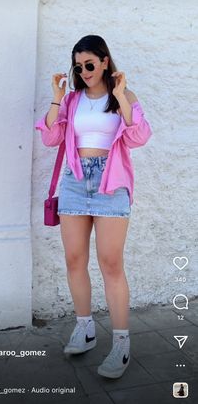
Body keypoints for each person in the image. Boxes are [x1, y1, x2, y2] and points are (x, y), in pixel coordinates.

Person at [35, 35, 152, 379]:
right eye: (78, 66)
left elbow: (139, 137)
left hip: (110, 182)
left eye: (89, 64)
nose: (84, 71)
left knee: (111, 263)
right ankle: (84, 328)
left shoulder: (123, 98)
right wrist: (57, 100)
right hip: (74, 181)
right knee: (74, 259)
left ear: (104, 61)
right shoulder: (71, 100)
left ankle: (120, 344)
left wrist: (120, 97)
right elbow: (50, 138)